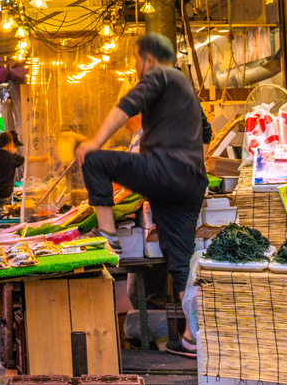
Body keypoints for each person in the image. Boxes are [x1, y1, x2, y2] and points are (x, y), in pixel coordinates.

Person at [73, 33, 210, 356]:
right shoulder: (186, 89)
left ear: (148, 58)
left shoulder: (160, 75)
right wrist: (192, 166)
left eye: (136, 59)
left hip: (166, 174)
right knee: (179, 258)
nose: (135, 66)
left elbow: (127, 106)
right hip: (189, 185)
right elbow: (206, 132)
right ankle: (193, 337)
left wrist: (95, 142)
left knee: (95, 160)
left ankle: (109, 238)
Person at [0, 131, 25, 215]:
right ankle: (0, 228)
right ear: (9, 143)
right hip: (4, 194)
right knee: (3, 220)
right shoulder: (12, 157)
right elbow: (28, 159)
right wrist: (45, 158)